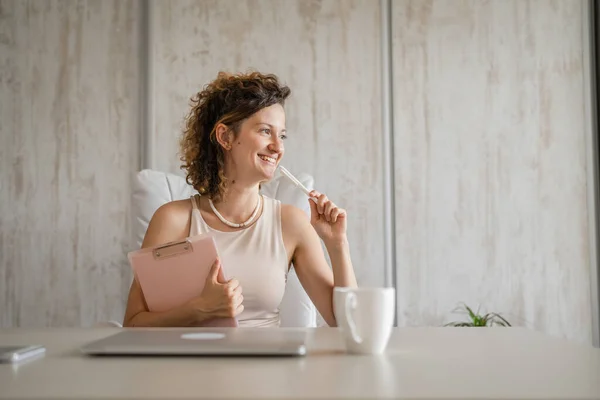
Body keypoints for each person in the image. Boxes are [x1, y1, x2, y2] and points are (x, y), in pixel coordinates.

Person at [123, 71, 357, 327]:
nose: (278, 148)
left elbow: (349, 325)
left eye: (282, 135)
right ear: (225, 137)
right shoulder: (172, 220)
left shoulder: (291, 223)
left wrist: (337, 244)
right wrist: (199, 309)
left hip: (269, 365)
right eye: (266, 131)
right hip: (192, 366)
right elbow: (133, 325)